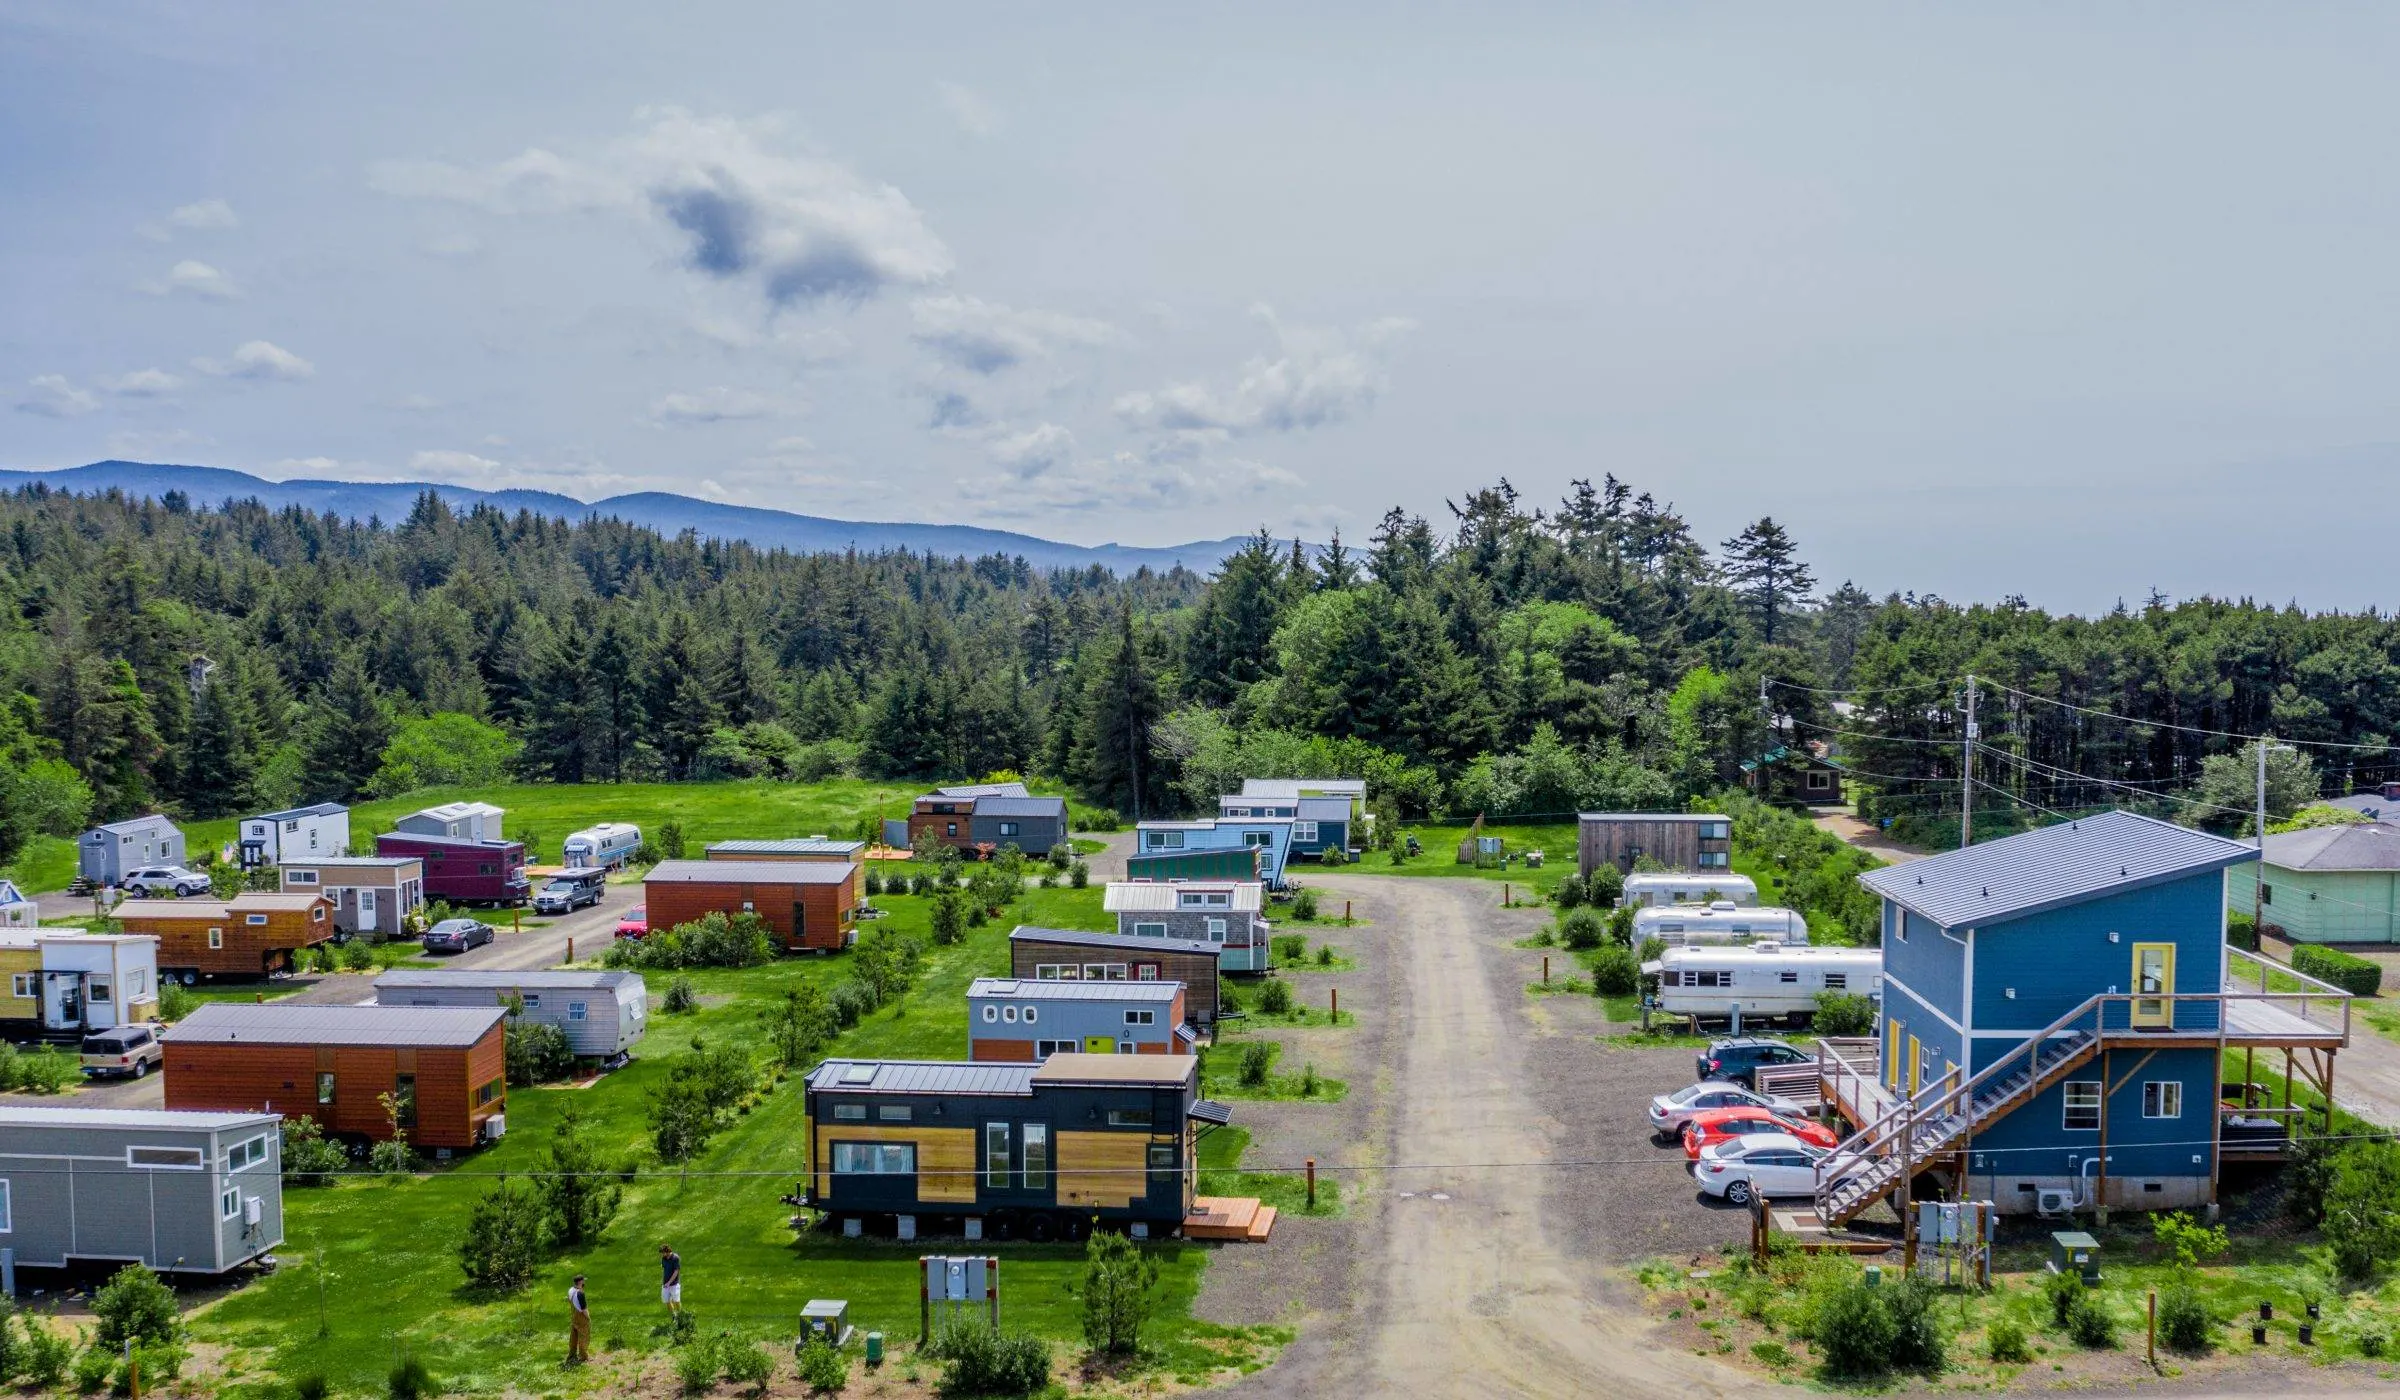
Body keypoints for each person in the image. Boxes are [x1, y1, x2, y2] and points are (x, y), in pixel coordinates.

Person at [566, 1275, 591, 1364]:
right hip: (581, 1317)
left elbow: (569, 1300)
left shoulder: (570, 1290)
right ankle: (583, 1356)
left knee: (574, 1336)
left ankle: (572, 1354)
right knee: (583, 1336)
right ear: (580, 1282)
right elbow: (584, 1309)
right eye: (583, 1281)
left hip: (574, 1316)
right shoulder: (580, 1293)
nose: (584, 1282)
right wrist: (588, 1318)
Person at [659, 1244, 682, 1316]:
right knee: (666, 1301)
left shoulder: (675, 1258)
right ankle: (674, 1316)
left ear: (667, 1251)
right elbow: (665, 1269)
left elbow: (676, 1271)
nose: (662, 1254)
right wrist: (665, 1282)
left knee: (676, 1301)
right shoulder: (664, 1258)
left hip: (674, 1284)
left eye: (663, 1253)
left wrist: (669, 1282)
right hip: (665, 1284)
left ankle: (680, 1315)